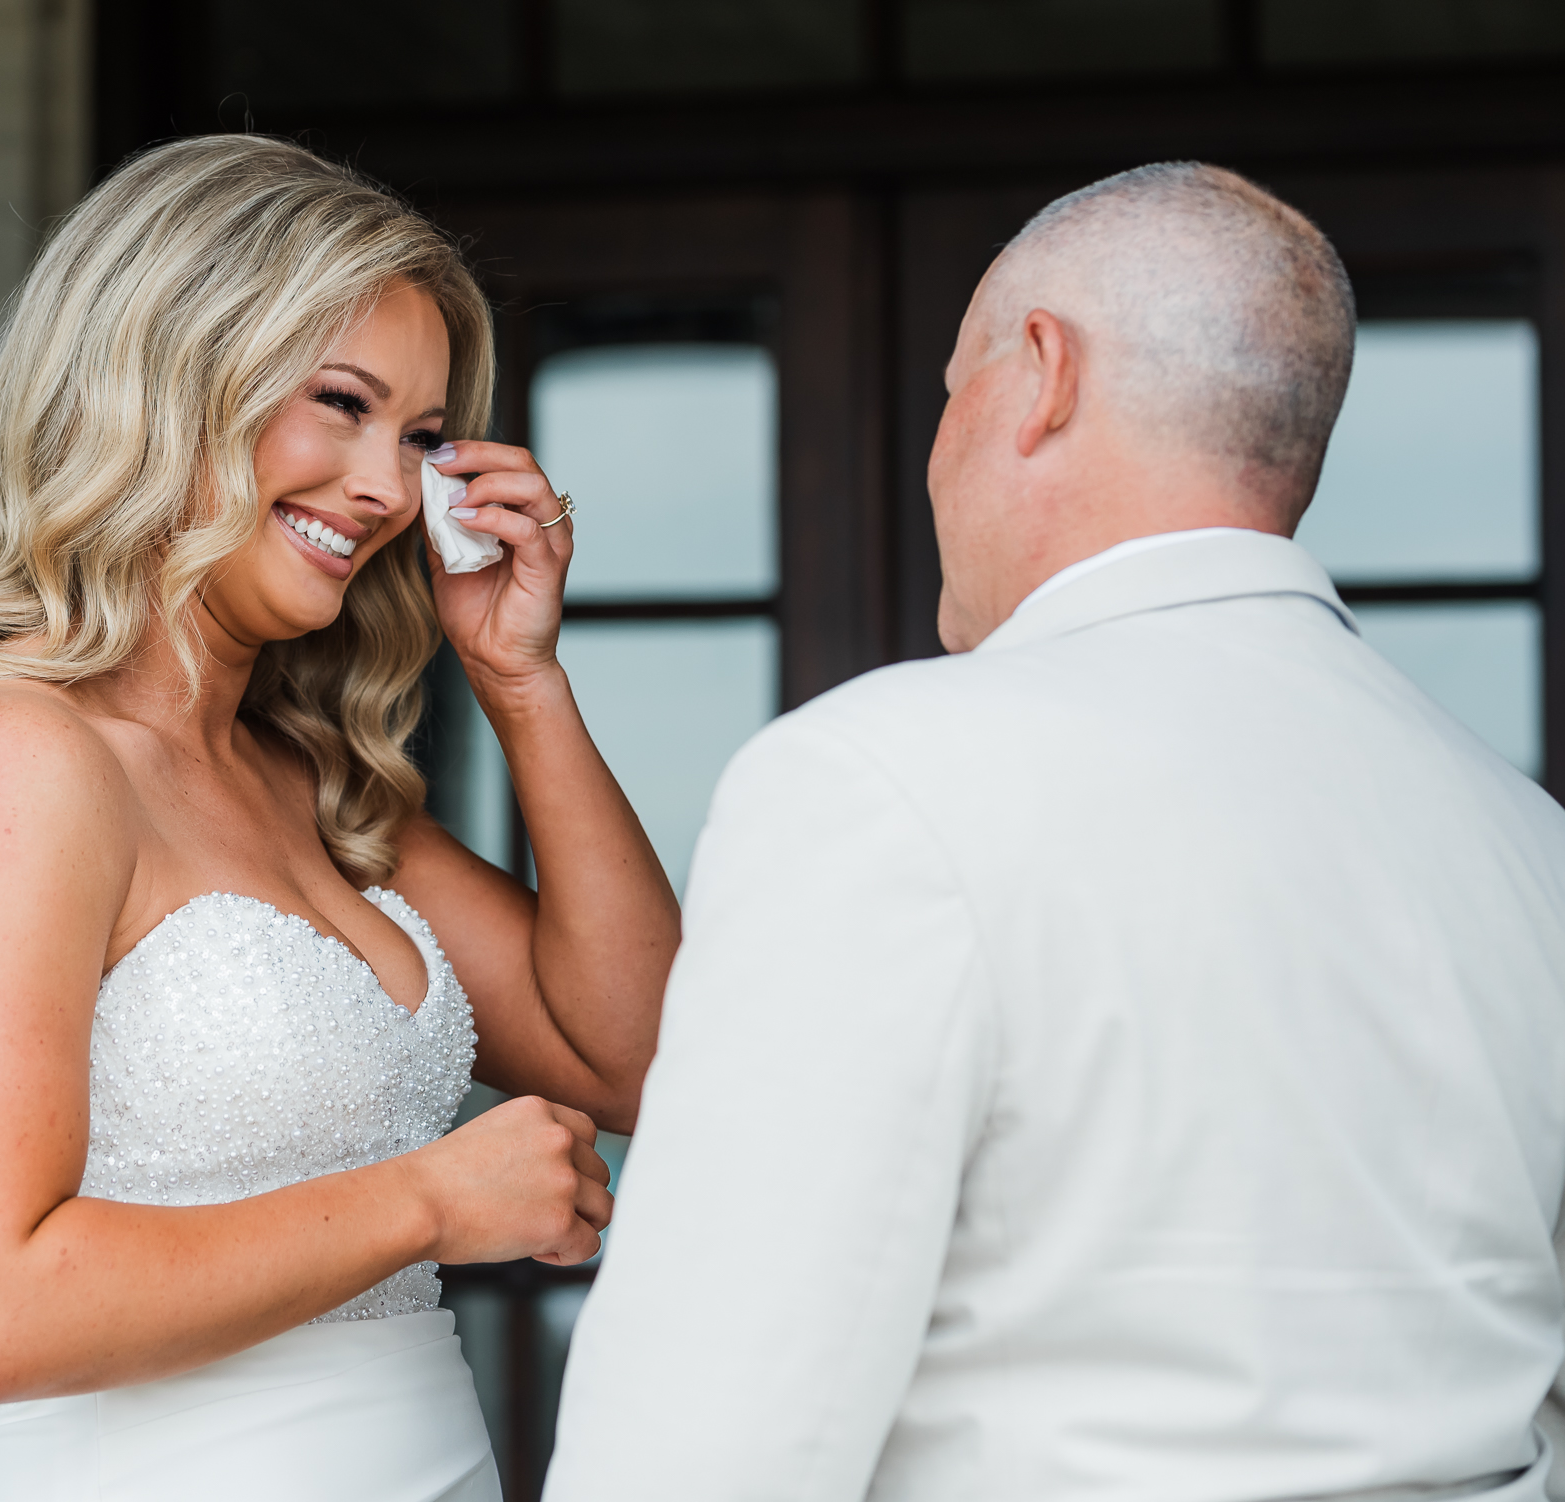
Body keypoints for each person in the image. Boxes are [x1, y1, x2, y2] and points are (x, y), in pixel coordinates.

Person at [546, 163, 1565, 1500]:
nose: (931, 456)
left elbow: (706, 1444)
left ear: (1041, 374)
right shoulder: (1524, 841)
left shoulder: (872, 779)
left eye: (951, 390)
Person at [0, 136, 678, 1501]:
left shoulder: (302, 781)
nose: (385, 488)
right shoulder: (5, 758)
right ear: (172, 379)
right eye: (340, 404)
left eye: (417, 438)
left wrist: (524, 685)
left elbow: (638, 1055)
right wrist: (431, 1201)